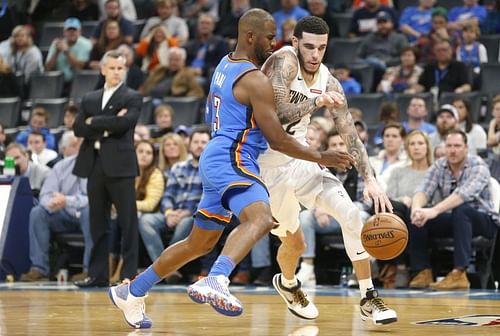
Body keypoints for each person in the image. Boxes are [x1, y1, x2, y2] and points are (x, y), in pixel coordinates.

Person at [108, 9, 351, 328]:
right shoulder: (255, 79)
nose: (274, 42)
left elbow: (213, 114)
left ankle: (132, 291)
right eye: (268, 36)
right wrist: (322, 156)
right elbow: (277, 139)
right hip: (234, 156)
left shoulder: (224, 65)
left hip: (216, 154)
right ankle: (217, 278)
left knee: (199, 243)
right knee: (261, 217)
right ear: (251, 36)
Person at [259, 15, 397, 325]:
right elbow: (277, 115)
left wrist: (370, 179)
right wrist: (317, 102)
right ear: (295, 43)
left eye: (321, 48)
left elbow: (350, 134)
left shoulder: (328, 80)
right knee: (294, 243)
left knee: (351, 214)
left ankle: (368, 296)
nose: (314, 54)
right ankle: (288, 283)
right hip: (268, 167)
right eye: (308, 46)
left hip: (303, 160)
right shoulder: (283, 61)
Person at [72, 50, 142, 288]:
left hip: (121, 166)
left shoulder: (132, 96)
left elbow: (125, 123)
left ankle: (129, 274)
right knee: (97, 223)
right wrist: (108, 122)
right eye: (112, 68)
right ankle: (97, 274)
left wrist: (95, 122)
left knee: (128, 221)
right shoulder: (89, 98)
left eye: (120, 68)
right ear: (103, 69)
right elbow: (78, 128)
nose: (116, 72)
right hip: (95, 164)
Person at [409, 129, 498, 290]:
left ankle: (459, 273)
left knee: (461, 209)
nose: (452, 150)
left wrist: (434, 210)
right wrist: (417, 209)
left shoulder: (478, 165)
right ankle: (422, 270)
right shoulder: (440, 165)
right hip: (456, 220)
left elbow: (463, 195)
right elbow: (423, 190)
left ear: (466, 147)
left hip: (484, 221)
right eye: (449, 146)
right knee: (419, 217)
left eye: (457, 146)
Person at [19, 131, 92, 282]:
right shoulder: (61, 167)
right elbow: (45, 195)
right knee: (37, 212)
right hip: (63, 215)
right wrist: (52, 203)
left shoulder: (97, 166)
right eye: (74, 144)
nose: (79, 147)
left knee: (90, 211)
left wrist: (67, 200)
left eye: (80, 143)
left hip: (87, 214)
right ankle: (39, 268)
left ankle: (89, 269)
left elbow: (95, 200)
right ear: (64, 149)